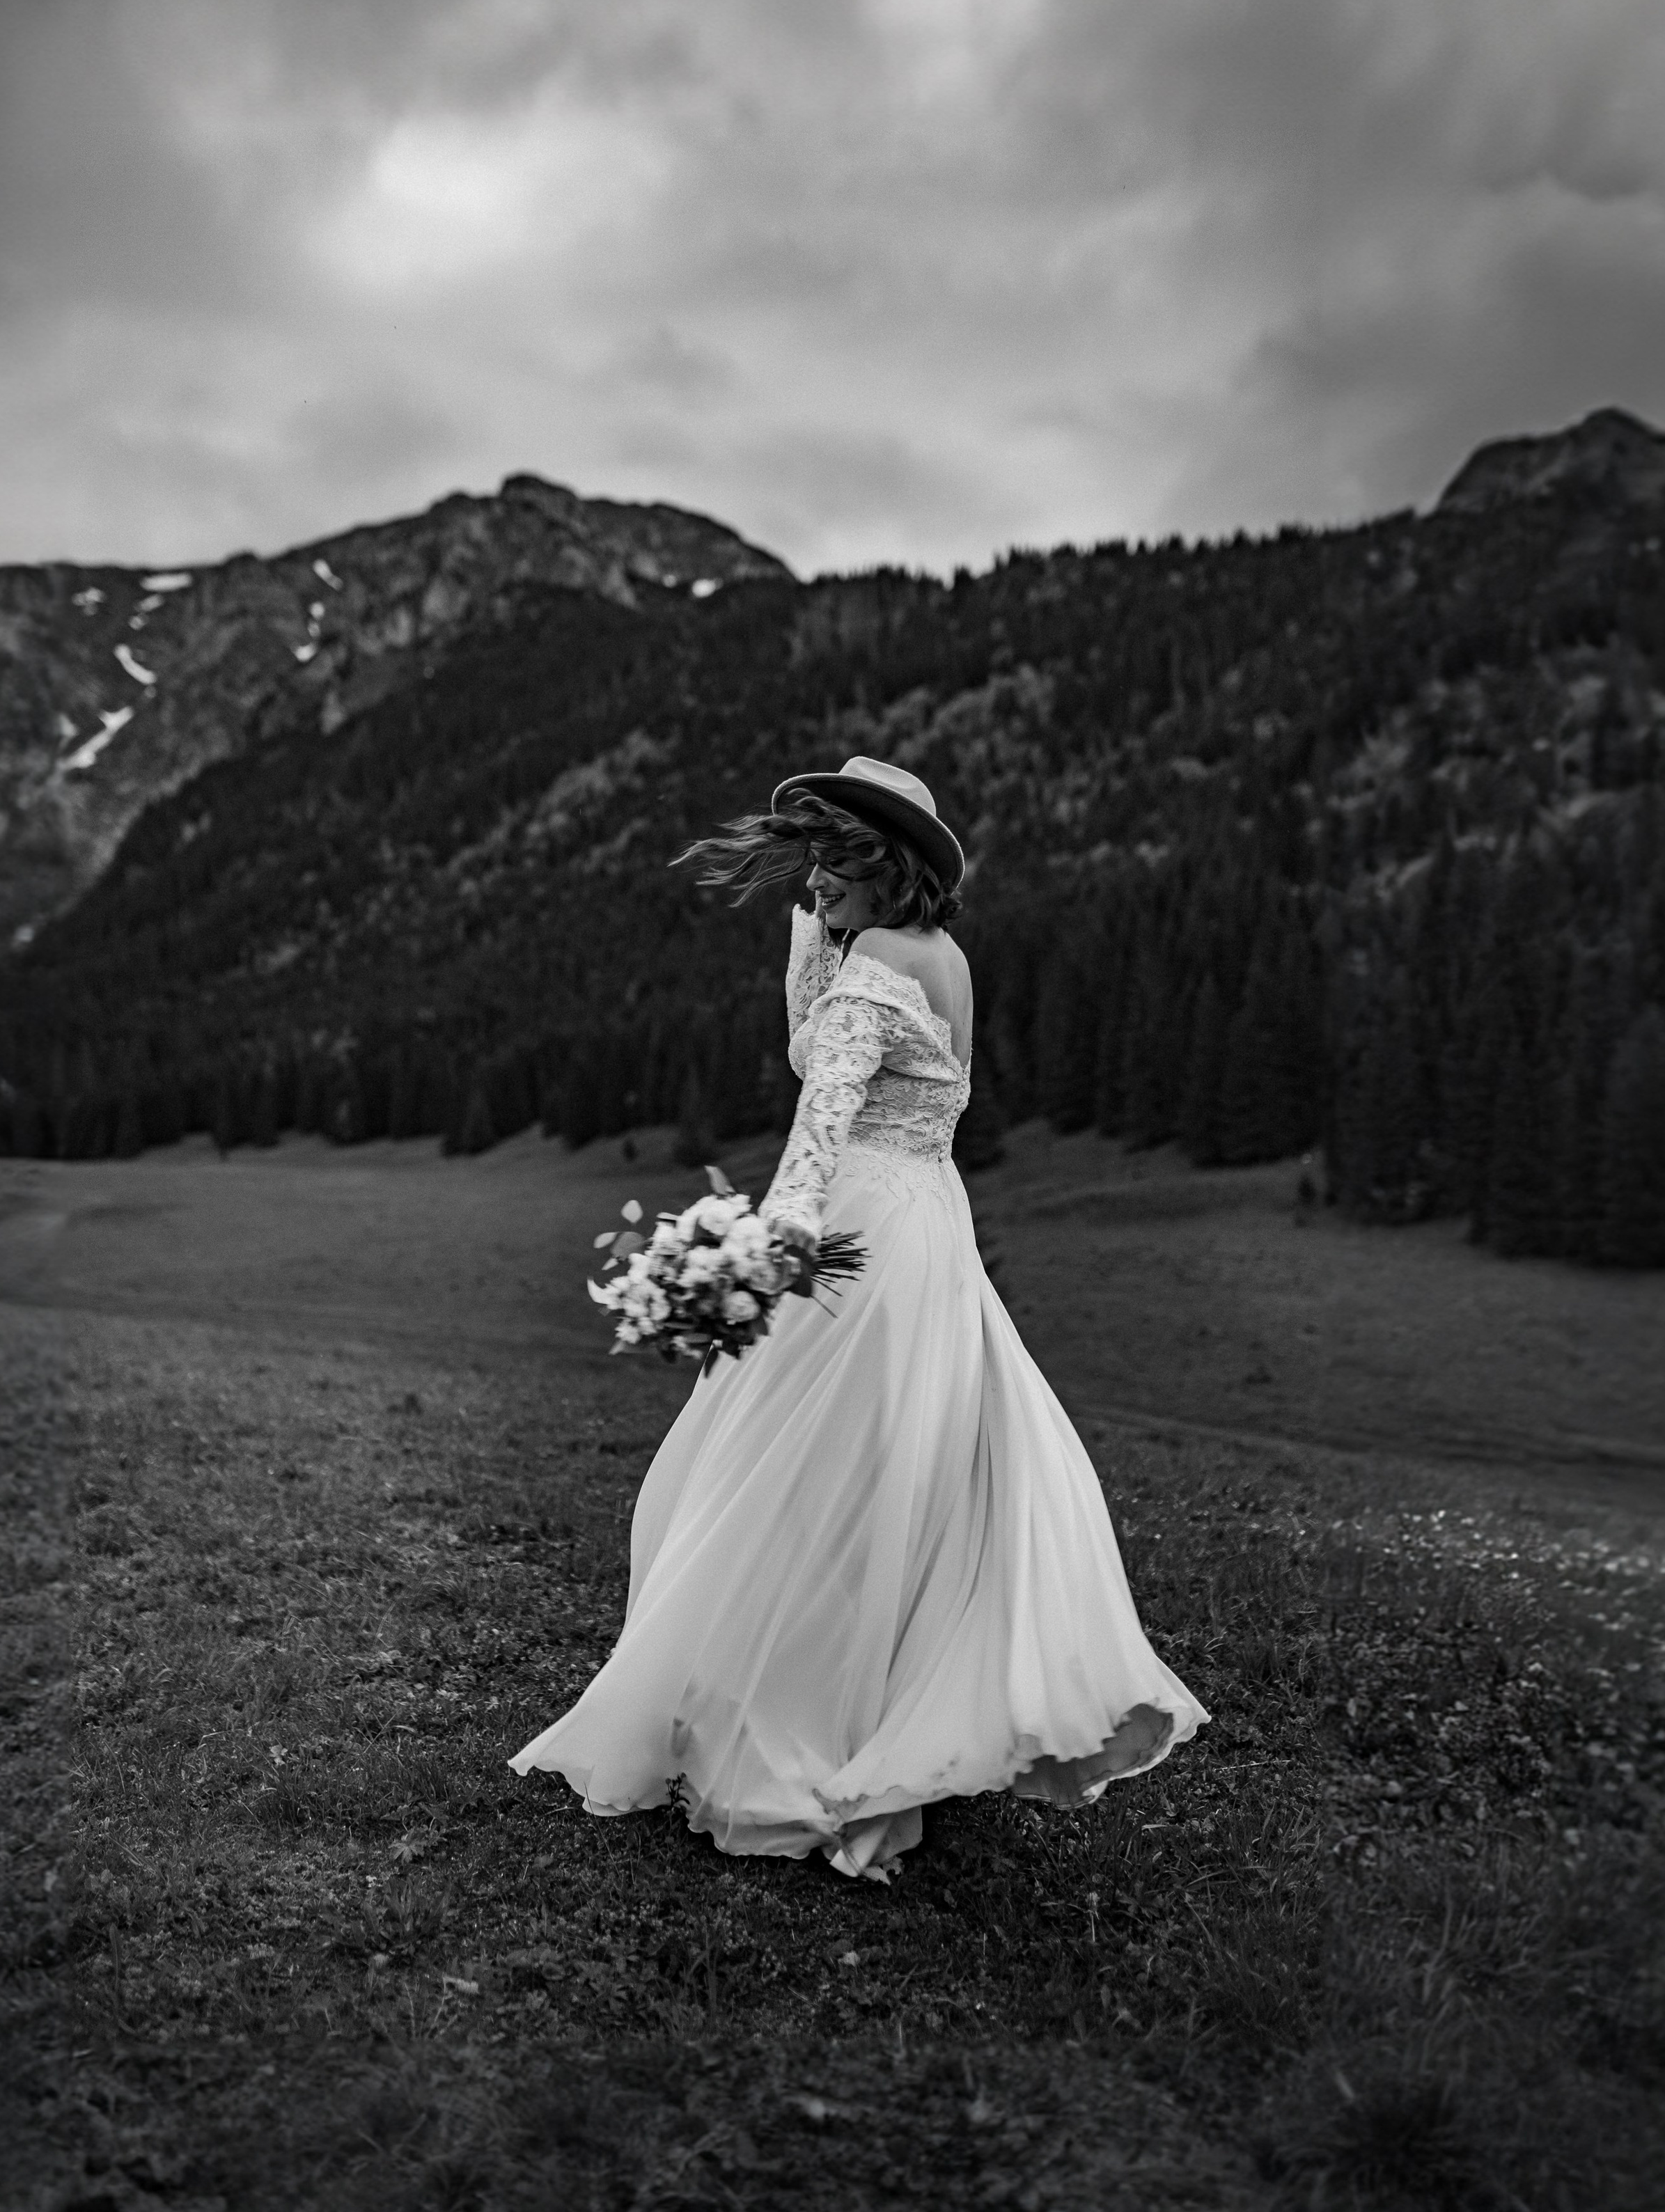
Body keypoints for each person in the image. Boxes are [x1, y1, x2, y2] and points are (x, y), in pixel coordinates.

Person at [509, 756, 1207, 1878]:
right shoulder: (942, 959)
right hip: (930, 1229)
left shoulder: (878, 958)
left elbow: (820, 1119)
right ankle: (872, 1715)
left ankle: (788, 1729)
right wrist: (812, 945)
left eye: (835, 862)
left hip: (857, 1235)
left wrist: (758, 1249)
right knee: (891, 1482)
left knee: (779, 1484)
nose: (817, 881)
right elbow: (828, 1061)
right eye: (812, 861)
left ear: (888, 866)